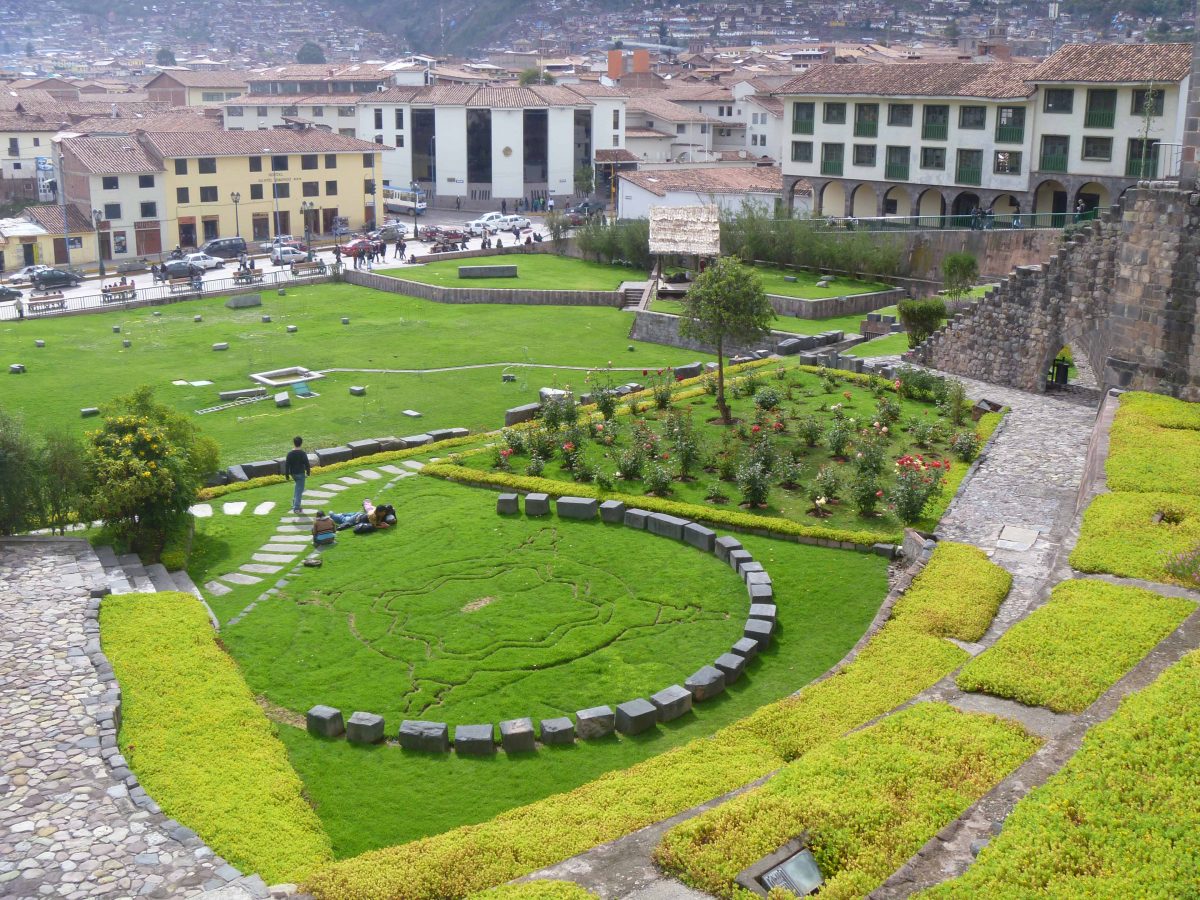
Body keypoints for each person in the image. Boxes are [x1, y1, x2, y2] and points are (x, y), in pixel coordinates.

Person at [284, 436, 310, 514]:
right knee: (299, 491)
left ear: (294, 443)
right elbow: (307, 463)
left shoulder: (290, 454)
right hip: (300, 474)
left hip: (293, 474)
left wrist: (287, 475)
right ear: (301, 443)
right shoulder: (302, 453)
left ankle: (294, 503)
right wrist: (308, 472)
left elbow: (287, 465)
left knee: (297, 488)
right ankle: (296, 508)